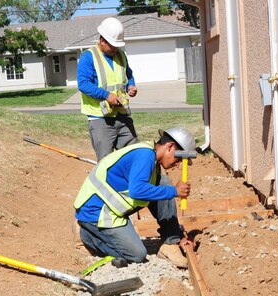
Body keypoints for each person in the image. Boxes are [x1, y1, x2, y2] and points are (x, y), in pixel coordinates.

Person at [74, 127, 196, 269]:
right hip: (96, 213)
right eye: (179, 158)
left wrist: (178, 234)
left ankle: (170, 243)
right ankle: (86, 236)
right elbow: (137, 191)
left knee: (163, 183)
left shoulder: (152, 159)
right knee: (137, 254)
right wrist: (174, 191)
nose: (178, 164)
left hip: (114, 212)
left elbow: (152, 192)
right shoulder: (144, 155)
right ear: (170, 147)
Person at [77, 17, 138, 161]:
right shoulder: (88, 57)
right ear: (102, 40)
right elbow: (83, 84)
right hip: (100, 119)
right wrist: (106, 95)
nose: (115, 49)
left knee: (134, 154)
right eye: (112, 45)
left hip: (122, 115)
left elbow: (129, 74)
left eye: (118, 45)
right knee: (106, 161)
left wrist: (131, 85)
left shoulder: (121, 55)